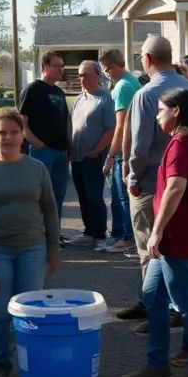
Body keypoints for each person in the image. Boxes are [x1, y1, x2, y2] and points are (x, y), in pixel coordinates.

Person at [121, 87, 188, 377]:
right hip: (177, 236)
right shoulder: (187, 142)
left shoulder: (181, 144)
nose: (157, 114)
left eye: (161, 109)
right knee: (153, 295)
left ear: (176, 111)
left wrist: (158, 230)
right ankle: (157, 366)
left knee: (187, 303)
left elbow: (175, 188)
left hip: (180, 237)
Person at [0, 109, 60, 377]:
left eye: (13, 132)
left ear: (22, 136)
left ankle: (33, 363)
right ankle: (0, 366)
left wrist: (53, 247)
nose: (7, 137)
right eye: (1, 132)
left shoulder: (37, 168)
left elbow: (50, 210)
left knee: (30, 310)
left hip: (33, 248)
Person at [120, 36, 188, 329]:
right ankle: (171, 309)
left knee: (151, 249)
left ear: (146, 59)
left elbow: (139, 145)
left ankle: (158, 311)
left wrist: (132, 176)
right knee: (181, 254)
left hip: (154, 184)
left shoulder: (147, 94)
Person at [18, 52, 70, 239]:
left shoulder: (59, 93)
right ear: (44, 67)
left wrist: (68, 148)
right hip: (41, 152)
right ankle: (36, 233)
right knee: (39, 195)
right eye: (57, 66)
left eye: (62, 66)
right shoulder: (32, 90)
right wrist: (38, 144)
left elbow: (65, 122)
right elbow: (21, 122)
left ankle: (54, 233)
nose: (61, 70)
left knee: (58, 194)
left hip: (61, 152)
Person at [69, 60, 116, 250]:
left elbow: (111, 130)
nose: (81, 79)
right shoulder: (80, 99)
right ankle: (89, 232)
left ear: (97, 76)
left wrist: (96, 151)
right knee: (82, 195)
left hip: (93, 158)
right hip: (78, 158)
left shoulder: (104, 100)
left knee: (95, 197)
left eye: (85, 75)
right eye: (79, 75)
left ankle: (100, 235)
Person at [99, 49, 139, 256]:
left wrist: (110, 155)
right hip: (129, 148)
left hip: (125, 150)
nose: (106, 74)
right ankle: (120, 234)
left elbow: (121, 127)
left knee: (123, 195)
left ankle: (128, 238)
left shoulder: (123, 87)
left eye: (107, 70)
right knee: (117, 194)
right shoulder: (131, 82)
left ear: (115, 66)